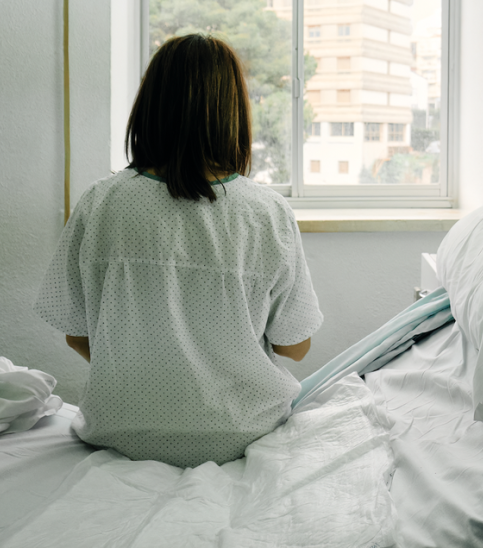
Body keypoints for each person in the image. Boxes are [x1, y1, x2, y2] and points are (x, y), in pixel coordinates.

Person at [34, 34, 322, 468]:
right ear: (233, 113)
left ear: (149, 106)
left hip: (119, 432)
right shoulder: (267, 213)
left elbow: (76, 333)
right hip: (241, 434)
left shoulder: (100, 202)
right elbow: (294, 347)